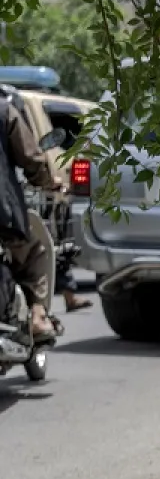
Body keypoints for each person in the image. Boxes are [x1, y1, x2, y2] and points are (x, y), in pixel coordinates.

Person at [0, 92, 63, 336]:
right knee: (36, 252)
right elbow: (31, 158)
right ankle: (37, 316)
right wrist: (48, 181)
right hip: (3, 215)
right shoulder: (5, 111)